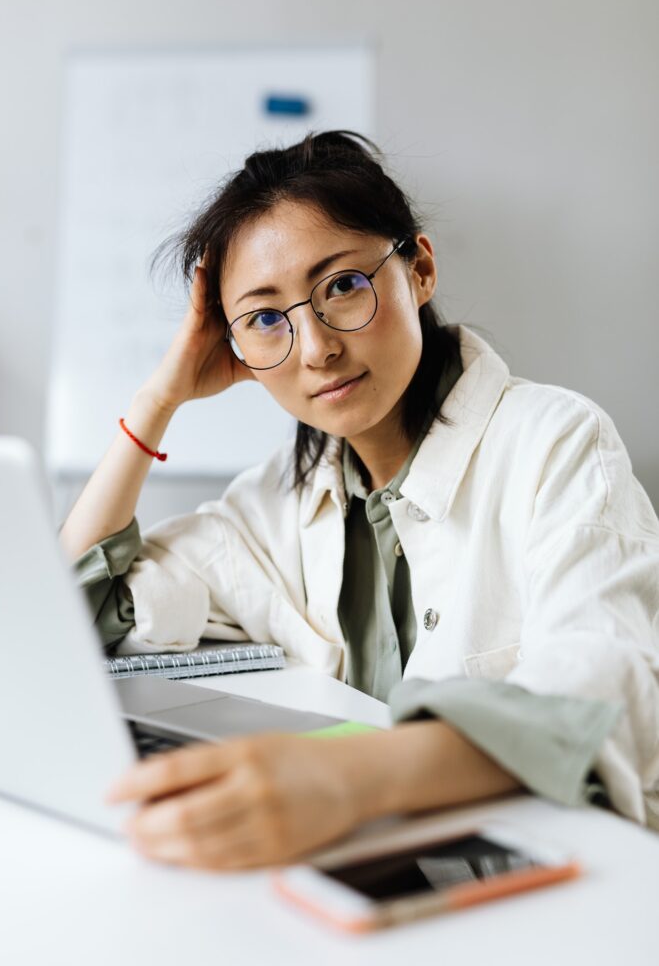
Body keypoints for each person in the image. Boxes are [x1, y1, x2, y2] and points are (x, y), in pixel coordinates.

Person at [60, 130, 659, 871]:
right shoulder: (278, 497)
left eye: (341, 285)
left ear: (420, 269)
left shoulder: (553, 441)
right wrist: (158, 399)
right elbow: (76, 614)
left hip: (555, 882)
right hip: (378, 865)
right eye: (265, 319)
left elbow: (603, 699)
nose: (314, 349)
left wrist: (345, 781)